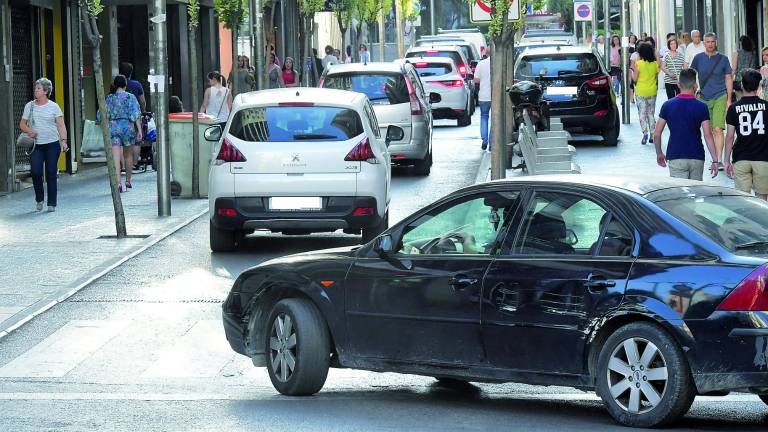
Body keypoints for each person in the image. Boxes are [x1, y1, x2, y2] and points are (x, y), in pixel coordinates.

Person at [653, 68, 719, 180]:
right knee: (695, 193)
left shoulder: (667, 105)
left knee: (679, 194)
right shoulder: (702, 107)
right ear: (695, 85)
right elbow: (708, 135)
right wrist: (715, 160)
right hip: (696, 156)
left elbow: (657, 133)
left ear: (678, 85)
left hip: (676, 155)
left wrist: (659, 153)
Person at [19, 78, 68, 211]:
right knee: (35, 172)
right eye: (35, 88)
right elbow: (22, 124)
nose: (36, 90)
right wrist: (30, 130)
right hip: (36, 145)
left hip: (52, 144)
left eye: (38, 88)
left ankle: (51, 203)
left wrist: (64, 141)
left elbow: (61, 125)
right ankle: (39, 199)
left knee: (51, 173)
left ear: (46, 91)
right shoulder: (30, 106)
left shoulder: (54, 107)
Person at [690, 32, 733, 170]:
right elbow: (691, 75)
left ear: (716, 42)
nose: (710, 44)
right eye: (707, 42)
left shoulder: (724, 59)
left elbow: (728, 78)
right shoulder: (698, 58)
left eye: (712, 41)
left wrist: (729, 99)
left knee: (718, 129)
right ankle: (715, 158)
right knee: (708, 131)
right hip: (704, 97)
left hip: (720, 95)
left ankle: (719, 160)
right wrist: (693, 90)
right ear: (704, 42)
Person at [725, 69, 768, 199]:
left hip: (741, 157)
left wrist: (726, 160)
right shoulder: (766, 106)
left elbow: (730, 136)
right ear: (759, 86)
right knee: (762, 200)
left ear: (742, 85)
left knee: (743, 199)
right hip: (763, 158)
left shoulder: (733, 108)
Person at [101, 75, 143, 193]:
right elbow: (136, 114)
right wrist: (139, 130)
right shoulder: (131, 97)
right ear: (125, 85)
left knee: (115, 156)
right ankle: (128, 180)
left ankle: (118, 182)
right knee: (128, 155)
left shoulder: (109, 98)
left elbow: (101, 114)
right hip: (127, 128)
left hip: (113, 127)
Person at [631, 42, 660, 145]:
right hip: (652, 91)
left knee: (642, 114)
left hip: (640, 91)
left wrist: (632, 71)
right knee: (651, 114)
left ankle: (645, 133)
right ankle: (652, 134)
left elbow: (634, 79)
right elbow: (656, 78)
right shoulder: (655, 64)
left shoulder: (638, 64)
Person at [119, 62, 146, 170]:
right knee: (136, 141)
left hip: (120, 119)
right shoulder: (136, 84)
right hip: (134, 117)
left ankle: (123, 166)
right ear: (131, 72)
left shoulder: (116, 84)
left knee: (120, 143)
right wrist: (143, 111)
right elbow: (142, 101)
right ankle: (134, 163)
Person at [473, 46, 492, 151]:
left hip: (483, 96)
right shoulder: (498, 64)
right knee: (495, 120)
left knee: (484, 117)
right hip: (495, 96)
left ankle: (484, 140)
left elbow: (476, 80)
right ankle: (492, 142)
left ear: (486, 53)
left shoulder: (481, 64)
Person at [732, 35, 756, 99]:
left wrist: (729, 81)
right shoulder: (753, 53)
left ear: (741, 43)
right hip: (750, 81)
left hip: (739, 81)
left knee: (740, 101)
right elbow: (753, 68)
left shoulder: (737, 53)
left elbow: (734, 69)